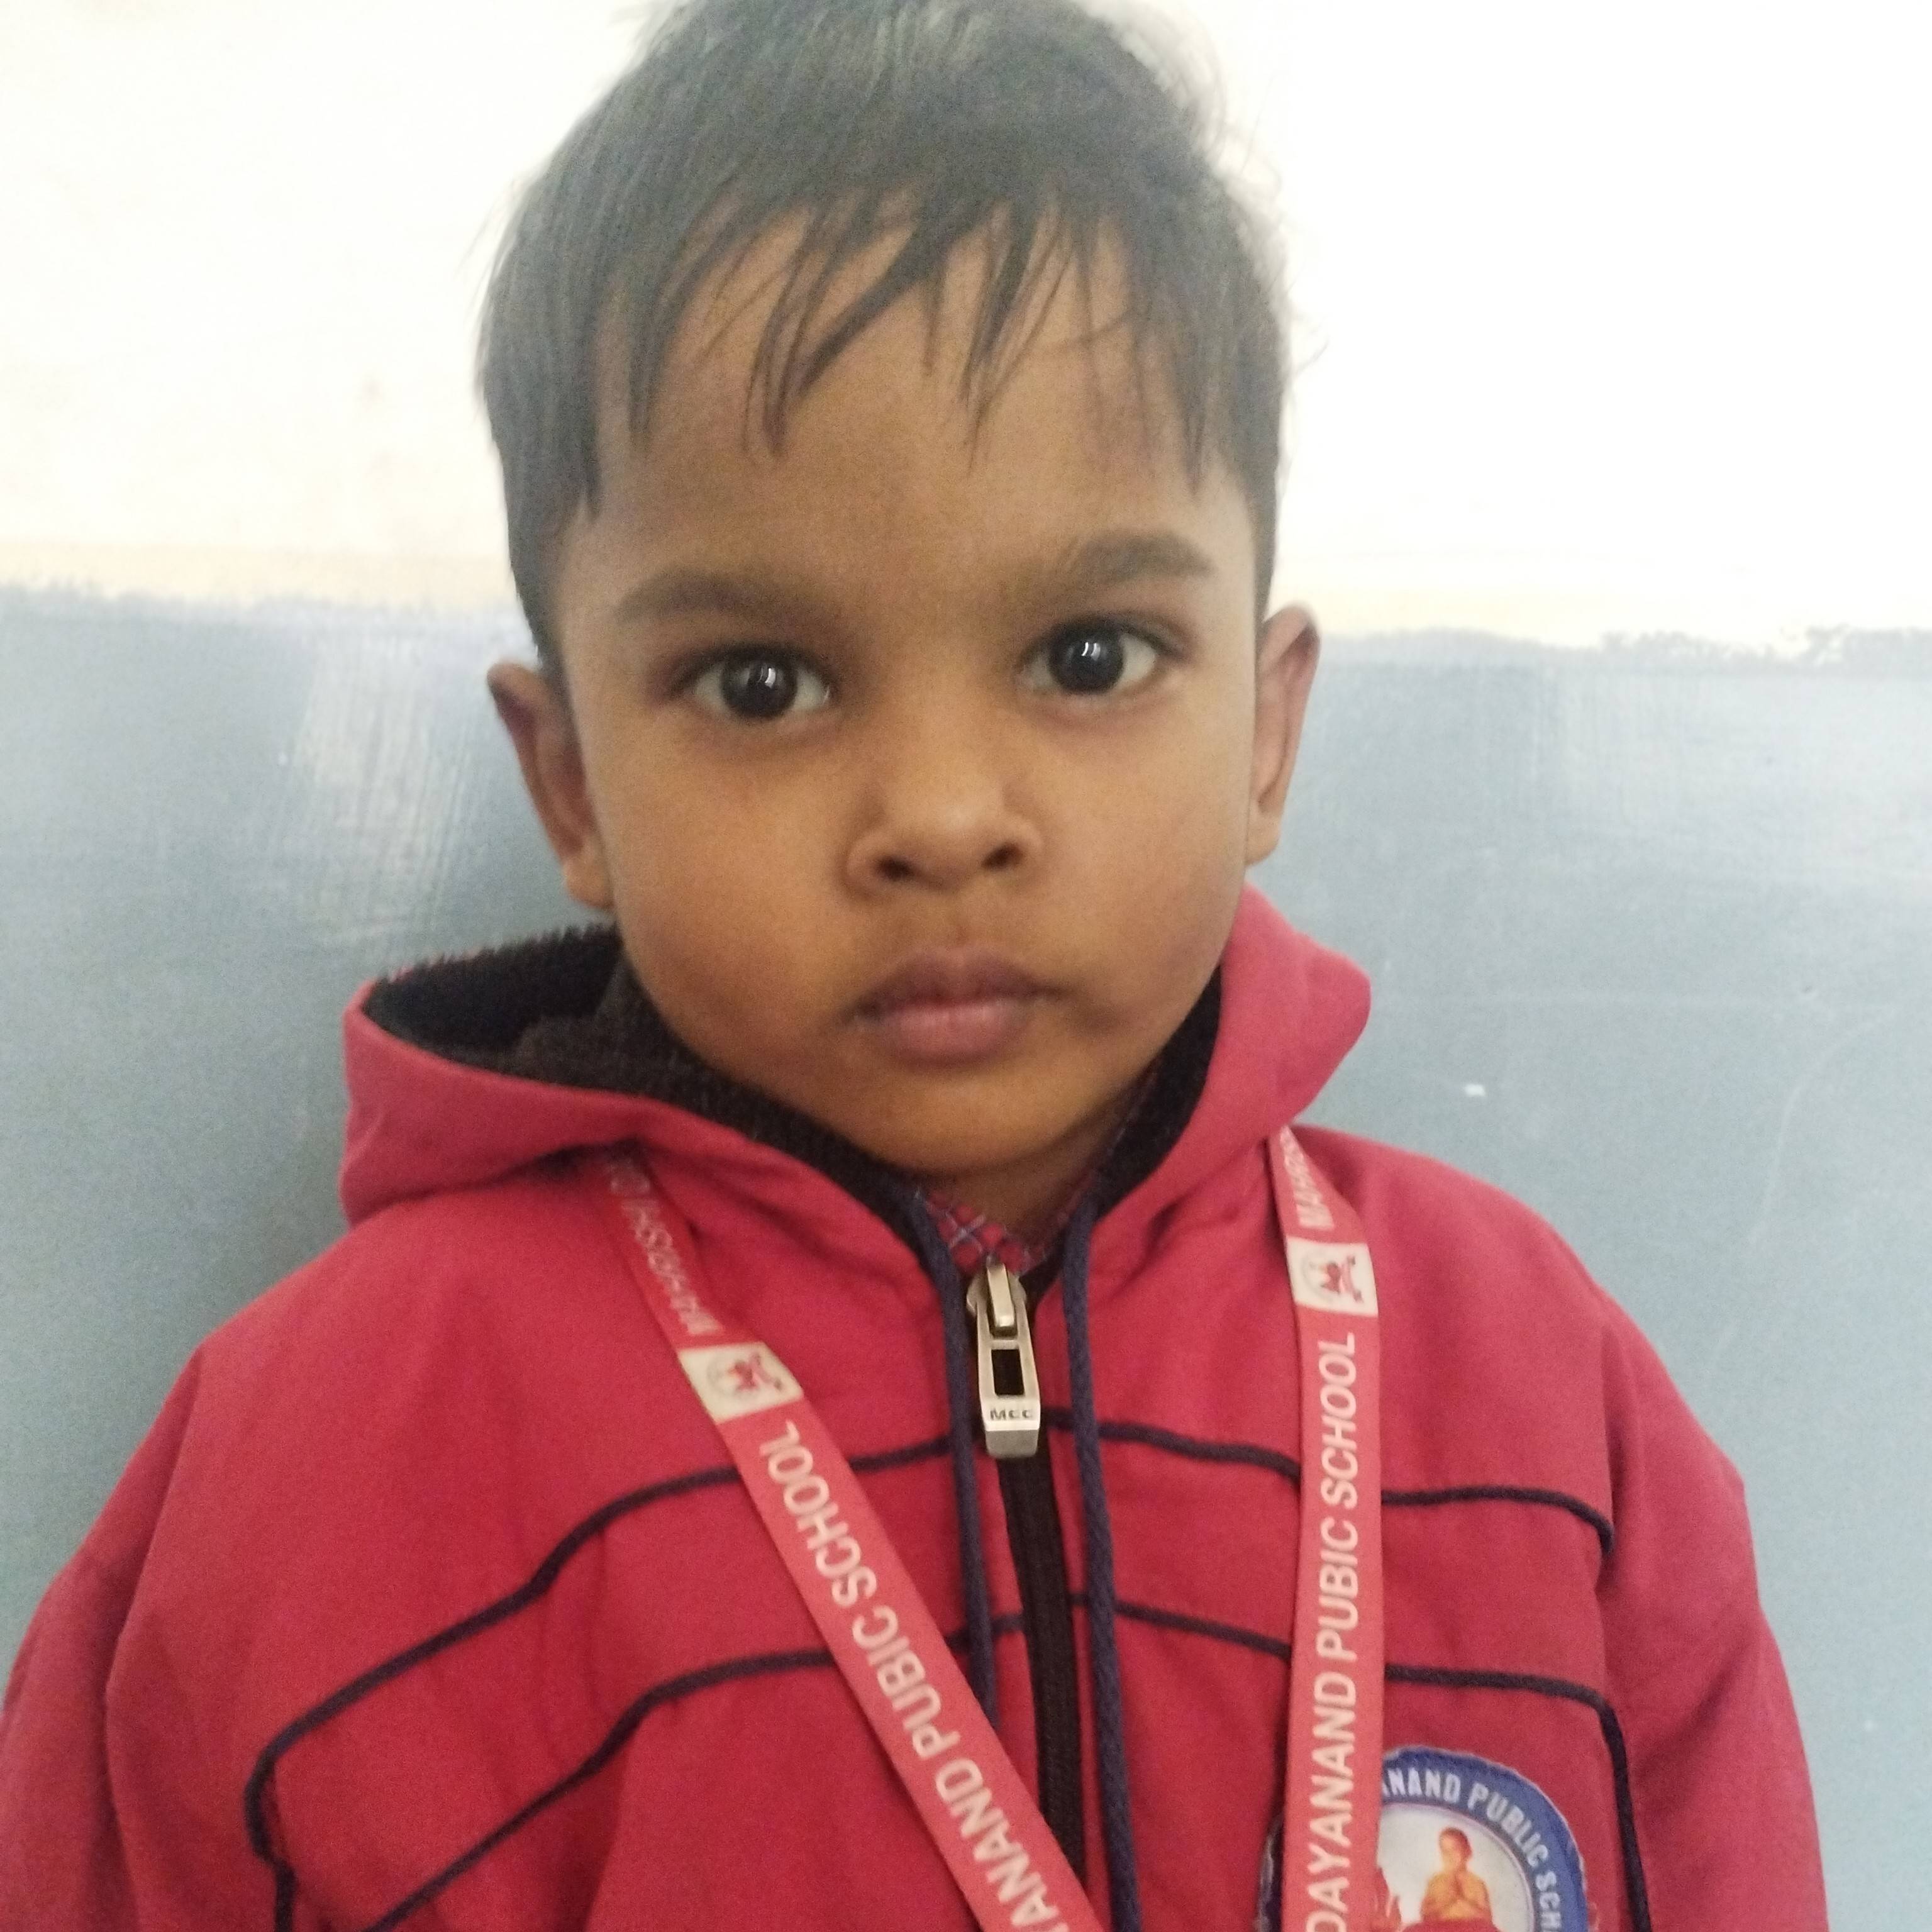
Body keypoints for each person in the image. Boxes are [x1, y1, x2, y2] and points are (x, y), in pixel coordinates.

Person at [0, 0, 1828, 1926]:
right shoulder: (322, 1459)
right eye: (761, 683)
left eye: (1090, 656)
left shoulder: (1536, 1392)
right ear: (573, 784)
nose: (944, 816)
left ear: (1268, 731)